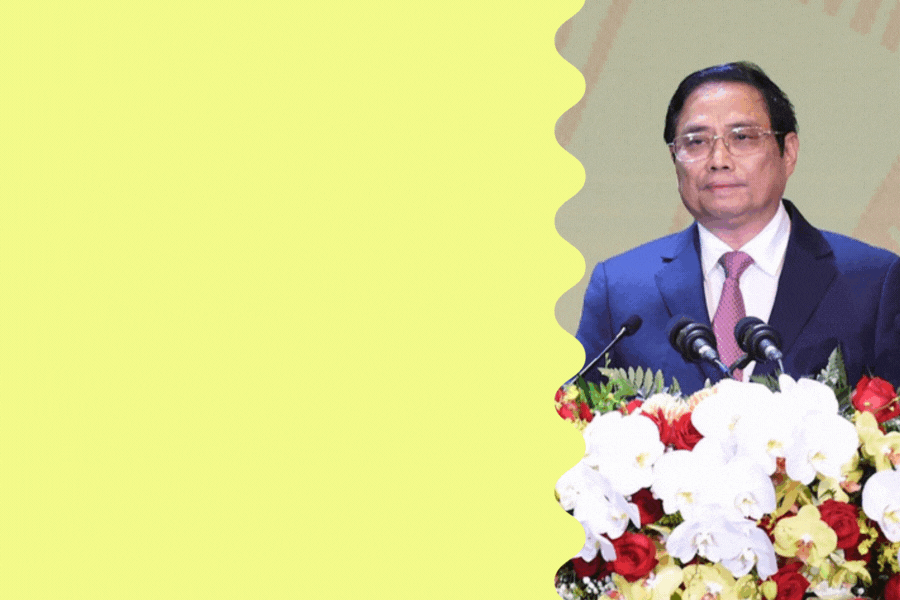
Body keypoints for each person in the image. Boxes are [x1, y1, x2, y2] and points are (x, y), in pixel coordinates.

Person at [575, 62, 900, 394]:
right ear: (674, 158)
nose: (719, 160)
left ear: (788, 152)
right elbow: (576, 412)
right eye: (696, 142)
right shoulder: (620, 290)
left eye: (742, 137)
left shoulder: (874, 282)